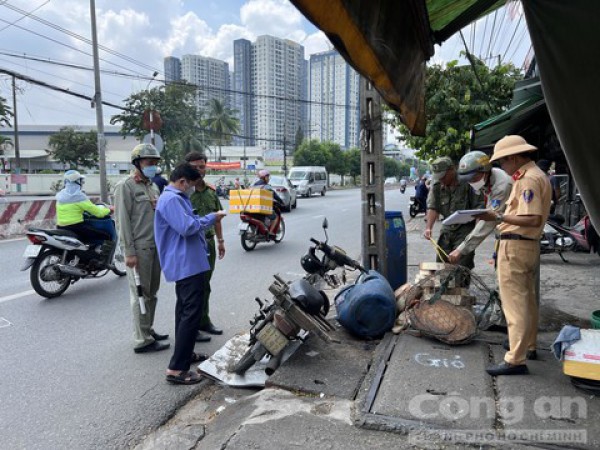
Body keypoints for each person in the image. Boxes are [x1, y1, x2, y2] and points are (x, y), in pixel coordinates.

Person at [475, 135, 551, 376]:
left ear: (514, 157)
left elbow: (533, 218)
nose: (501, 168)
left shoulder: (527, 180)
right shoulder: (537, 175)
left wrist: (497, 217)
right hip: (528, 246)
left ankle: (515, 360)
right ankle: (527, 345)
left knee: (514, 303)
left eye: (502, 162)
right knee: (527, 300)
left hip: (516, 246)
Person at [154, 162, 226, 385]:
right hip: (186, 265)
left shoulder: (175, 198)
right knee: (190, 314)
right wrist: (212, 218)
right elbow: (187, 227)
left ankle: (185, 355)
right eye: (192, 185)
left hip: (189, 263)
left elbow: (189, 223)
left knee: (184, 311)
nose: (193, 189)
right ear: (183, 181)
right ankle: (177, 370)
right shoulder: (172, 199)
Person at [114, 143, 169, 354]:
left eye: (155, 163)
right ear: (137, 163)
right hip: (138, 249)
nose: (153, 166)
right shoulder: (125, 186)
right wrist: (128, 252)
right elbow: (122, 222)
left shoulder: (152, 186)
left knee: (152, 293)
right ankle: (141, 339)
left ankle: (148, 329)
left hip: (155, 247)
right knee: (140, 294)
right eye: (149, 162)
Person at [184, 151, 225, 342]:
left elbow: (217, 218)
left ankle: (204, 321)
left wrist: (221, 241)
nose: (199, 171)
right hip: (191, 245)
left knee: (205, 285)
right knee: (193, 288)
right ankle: (191, 326)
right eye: (194, 167)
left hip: (208, 244)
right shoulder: (182, 193)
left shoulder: (211, 191)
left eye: (202, 167)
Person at [423, 156, 484, 278]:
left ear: (452, 170)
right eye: (438, 177)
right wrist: (428, 227)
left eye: (444, 176)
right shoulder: (436, 184)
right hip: (447, 229)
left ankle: (460, 292)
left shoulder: (468, 182)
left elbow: (480, 210)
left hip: (465, 230)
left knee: (461, 267)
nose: (441, 180)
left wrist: (475, 234)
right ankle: (444, 294)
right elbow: (433, 207)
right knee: (442, 265)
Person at [448, 151, 513, 264]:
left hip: (513, 237)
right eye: (468, 179)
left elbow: (489, 221)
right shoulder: (488, 180)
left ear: (485, 171)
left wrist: (461, 249)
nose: (471, 182)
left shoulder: (501, 186)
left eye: (473, 178)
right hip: (503, 234)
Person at [56, 170, 115, 262]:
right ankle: (102, 261)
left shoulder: (60, 197)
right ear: (77, 182)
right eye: (80, 181)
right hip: (76, 228)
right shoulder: (79, 197)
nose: (81, 183)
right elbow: (97, 213)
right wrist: (109, 210)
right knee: (106, 235)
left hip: (60, 227)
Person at [252, 169, 284, 237]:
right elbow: (274, 195)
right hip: (263, 208)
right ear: (265, 177)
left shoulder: (254, 185)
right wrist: (281, 201)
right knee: (275, 217)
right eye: (268, 177)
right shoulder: (266, 186)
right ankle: (271, 232)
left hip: (253, 207)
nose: (268, 178)